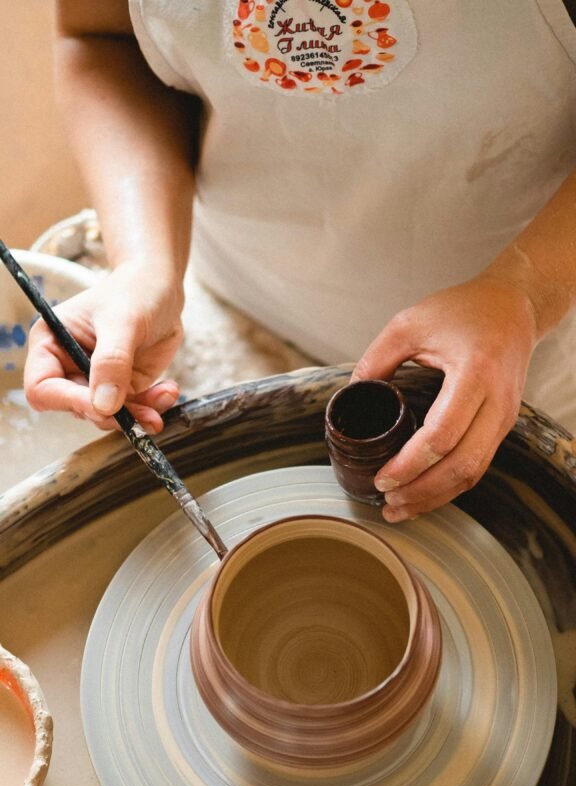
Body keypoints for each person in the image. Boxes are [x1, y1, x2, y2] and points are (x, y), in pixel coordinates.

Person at [25, 0, 576, 522]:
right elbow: (104, 37)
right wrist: (147, 267)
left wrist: (524, 291)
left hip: (518, 339)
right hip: (235, 291)